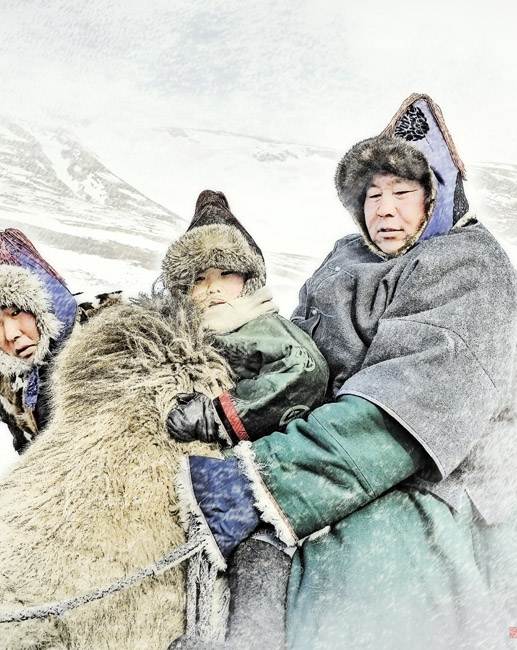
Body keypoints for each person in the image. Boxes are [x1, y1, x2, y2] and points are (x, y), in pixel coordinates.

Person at [175, 94, 517, 650]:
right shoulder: (349, 260)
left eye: (403, 192)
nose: (384, 210)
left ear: (437, 197)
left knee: (341, 600)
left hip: (439, 489)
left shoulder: (470, 269)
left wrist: (260, 481)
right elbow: (299, 358)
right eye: (372, 195)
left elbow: (399, 418)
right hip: (331, 467)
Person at [160, 190, 329, 649]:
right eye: (199, 278)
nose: (212, 287)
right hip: (222, 477)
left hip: (276, 479)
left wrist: (215, 415)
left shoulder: (261, 327)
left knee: (260, 559)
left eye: (225, 274)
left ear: (248, 282)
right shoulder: (199, 336)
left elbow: (303, 372)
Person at [0, 228, 118, 453]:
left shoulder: (112, 337)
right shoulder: (7, 379)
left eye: (16, 312)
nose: (10, 334)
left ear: (46, 308)